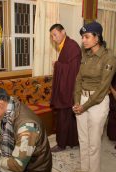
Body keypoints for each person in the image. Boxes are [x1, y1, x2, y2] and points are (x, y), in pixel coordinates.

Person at [72, 21, 116, 172]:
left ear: (97, 37)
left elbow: (102, 89)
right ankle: (85, 168)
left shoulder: (109, 58)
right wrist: (77, 101)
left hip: (97, 103)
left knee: (94, 140)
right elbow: (78, 80)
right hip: (82, 100)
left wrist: (84, 106)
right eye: (82, 37)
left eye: (86, 36)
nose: (83, 40)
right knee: (83, 138)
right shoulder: (86, 55)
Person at [49, 23, 82, 152]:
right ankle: (72, 141)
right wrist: (59, 65)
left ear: (63, 31)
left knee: (64, 117)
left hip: (69, 89)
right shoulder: (65, 45)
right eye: (51, 36)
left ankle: (62, 144)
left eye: (55, 35)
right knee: (68, 117)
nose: (53, 38)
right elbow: (68, 66)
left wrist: (57, 65)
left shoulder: (72, 46)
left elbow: (74, 69)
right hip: (66, 87)